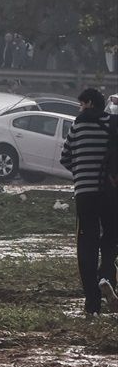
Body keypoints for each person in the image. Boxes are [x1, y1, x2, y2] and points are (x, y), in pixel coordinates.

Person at [61, 87, 118, 316]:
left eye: (82, 103)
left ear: (90, 103)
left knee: (86, 245)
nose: (80, 108)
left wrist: (81, 171)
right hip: (109, 192)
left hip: (84, 194)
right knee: (112, 236)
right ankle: (106, 275)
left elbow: (65, 158)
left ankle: (92, 303)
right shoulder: (113, 124)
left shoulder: (76, 126)